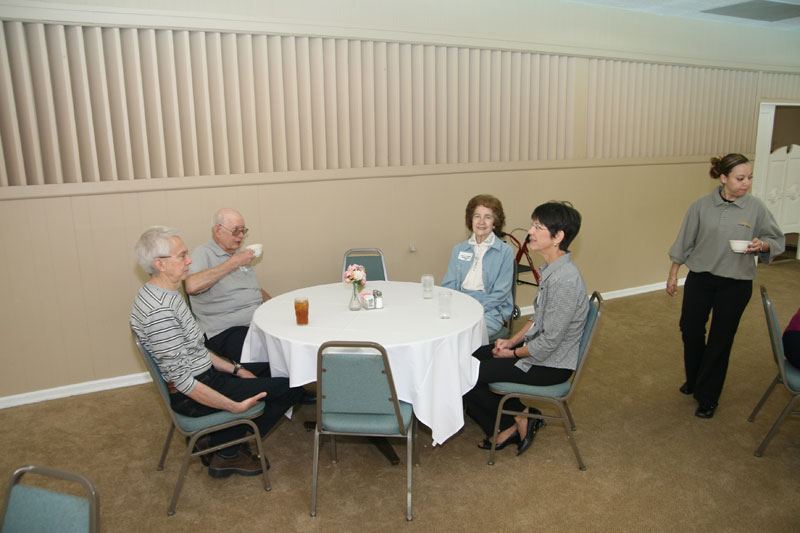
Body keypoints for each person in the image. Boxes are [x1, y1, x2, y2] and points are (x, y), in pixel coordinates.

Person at [131, 226, 305, 478]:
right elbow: (183, 382)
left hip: (206, 373)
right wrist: (233, 407)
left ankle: (218, 438)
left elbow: (196, 349)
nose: (189, 260)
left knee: (273, 368)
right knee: (293, 386)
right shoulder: (159, 312)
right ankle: (228, 452)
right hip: (194, 392)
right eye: (181, 256)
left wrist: (237, 369)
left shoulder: (164, 293)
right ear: (160, 264)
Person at [464, 201, 588, 457]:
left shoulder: (565, 281)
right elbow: (537, 319)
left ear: (558, 237)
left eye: (538, 227)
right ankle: (522, 415)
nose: (530, 231)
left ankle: (510, 424)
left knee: (466, 375)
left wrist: (512, 354)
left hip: (551, 365)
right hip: (539, 350)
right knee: (468, 359)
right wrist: (511, 342)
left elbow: (549, 343)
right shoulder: (553, 268)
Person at [667, 153, 785, 419]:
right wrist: (674, 272)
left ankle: (708, 397)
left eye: (750, 178)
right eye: (740, 178)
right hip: (701, 278)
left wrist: (762, 245)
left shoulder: (756, 208)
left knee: (721, 340)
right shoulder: (701, 206)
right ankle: (696, 378)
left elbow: (774, 239)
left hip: (736, 283)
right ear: (723, 178)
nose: (747, 184)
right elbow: (685, 240)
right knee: (691, 329)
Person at [185, 208, 270, 363]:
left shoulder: (237, 254)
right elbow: (191, 285)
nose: (241, 236)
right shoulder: (203, 253)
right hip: (225, 331)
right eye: (236, 231)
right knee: (269, 354)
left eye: (243, 230)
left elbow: (253, 289)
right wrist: (233, 263)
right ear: (218, 230)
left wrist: (273, 306)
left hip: (255, 322)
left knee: (288, 336)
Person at [442, 194, 515, 340]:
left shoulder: (505, 252)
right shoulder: (459, 249)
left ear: (495, 222)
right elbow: (448, 285)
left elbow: (500, 293)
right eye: (477, 216)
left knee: (464, 336)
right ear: (471, 220)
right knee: (440, 331)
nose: (481, 222)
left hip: (490, 309)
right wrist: (455, 306)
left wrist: (472, 308)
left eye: (488, 217)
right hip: (459, 303)